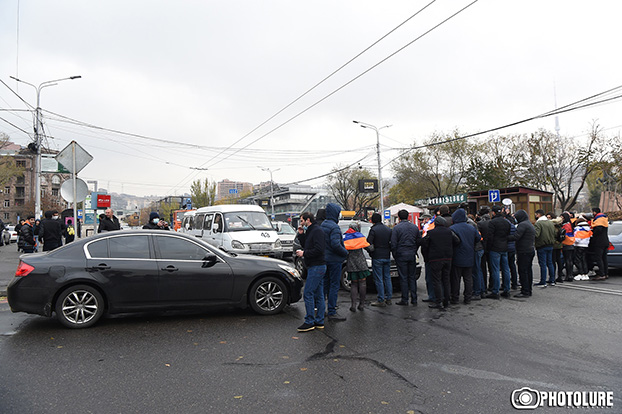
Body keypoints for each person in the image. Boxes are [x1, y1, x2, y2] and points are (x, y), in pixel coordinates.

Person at [420, 216, 460, 309]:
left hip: (435, 259)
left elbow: (424, 243)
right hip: (448, 258)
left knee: (436, 280)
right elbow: (457, 241)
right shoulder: (449, 232)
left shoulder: (431, 233)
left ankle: (438, 301)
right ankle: (446, 300)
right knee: (446, 280)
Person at [296, 212, 326, 332]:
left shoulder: (317, 231)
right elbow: (307, 245)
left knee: (308, 293)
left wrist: (304, 254)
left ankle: (309, 321)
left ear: (308, 220)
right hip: (316, 266)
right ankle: (319, 321)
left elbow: (319, 249)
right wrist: (301, 234)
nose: (301, 223)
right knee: (319, 295)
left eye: (302, 221)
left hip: (317, 266)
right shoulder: (311, 230)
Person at [320, 203, 348, 320]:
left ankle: (321, 310)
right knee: (334, 285)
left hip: (324, 259)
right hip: (334, 260)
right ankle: (332, 311)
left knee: (324, 285)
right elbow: (336, 244)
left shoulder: (323, 225)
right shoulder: (334, 227)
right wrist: (345, 252)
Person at [391, 209, 421, 306]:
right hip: (411, 254)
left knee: (403, 278)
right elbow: (419, 241)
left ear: (399, 218)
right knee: (411, 277)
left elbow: (393, 244)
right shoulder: (415, 227)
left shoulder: (396, 228)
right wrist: (414, 250)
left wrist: (395, 254)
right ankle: (414, 298)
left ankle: (405, 299)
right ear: (408, 216)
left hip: (401, 254)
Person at [449, 208, 479, 304]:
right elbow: (478, 238)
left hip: (457, 257)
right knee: (468, 278)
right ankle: (468, 298)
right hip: (470, 256)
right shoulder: (471, 228)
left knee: (456, 279)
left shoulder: (452, 228)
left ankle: (455, 298)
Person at [343, 222, 371, 311]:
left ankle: (353, 305)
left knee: (354, 284)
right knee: (362, 283)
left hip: (351, 263)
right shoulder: (360, 236)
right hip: (361, 262)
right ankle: (362, 304)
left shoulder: (345, 237)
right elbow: (369, 248)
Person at [367, 212, 393, 307]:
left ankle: (381, 299)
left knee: (379, 279)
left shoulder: (373, 230)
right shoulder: (388, 229)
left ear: (373, 220)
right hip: (386, 256)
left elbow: (368, 243)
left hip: (377, 256)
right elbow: (392, 242)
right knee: (387, 277)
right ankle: (389, 298)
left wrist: (371, 252)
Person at [509, 210, 536, 298]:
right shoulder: (529, 224)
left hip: (523, 251)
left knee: (523, 271)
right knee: (528, 271)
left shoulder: (523, 225)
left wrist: (505, 237)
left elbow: (516, 236)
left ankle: (525, 291)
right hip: (529, 250)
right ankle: (528, 289)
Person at [534, 209, 556, 287]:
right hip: (550, 245)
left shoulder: (539, 223)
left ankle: (543, 281)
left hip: (542, 245)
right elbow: (554, 233)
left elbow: (536, 234)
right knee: (550, 263)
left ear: (539, 214)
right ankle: (552, 280)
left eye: (536, 214)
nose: (535, 216)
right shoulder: (550, 223)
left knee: (542, 264)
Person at [589, 207, 609, 281]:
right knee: (604, 258)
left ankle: (601, 274)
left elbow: (598, 230)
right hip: (605, 241)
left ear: (594, 212)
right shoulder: (604, 219)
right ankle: (606, 273)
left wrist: (592, 233)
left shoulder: (599, 220)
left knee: (599, 258)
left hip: (599, 242)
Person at [477, 206, 492, 292]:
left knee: (482, 268)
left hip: (482, 247)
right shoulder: (492, 223)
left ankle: (483, 287)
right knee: (492, 268)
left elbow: (478, 236)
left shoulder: (480, 224)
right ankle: (492, 286)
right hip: (492, 247)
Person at [573, 215, 592, 281]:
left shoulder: (578, 229)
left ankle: (580, 273)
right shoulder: (588, 229)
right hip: (586, 245)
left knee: (578, 260)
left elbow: (577, 239)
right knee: (584, 260)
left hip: (578, 245)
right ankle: (585, 274)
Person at [559, 212, 575, 282]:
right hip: (571, 243)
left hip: (566, 243)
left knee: (567, 260)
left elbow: (563, 235)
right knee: (569, 260)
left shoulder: (565, 225)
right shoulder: (570, 224)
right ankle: (570, 274)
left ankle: (569, 275)